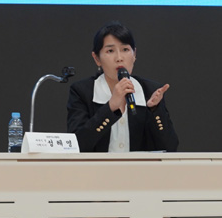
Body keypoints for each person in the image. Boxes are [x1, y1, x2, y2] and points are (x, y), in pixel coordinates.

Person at [67, 22, 178, 152]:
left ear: (134, 54)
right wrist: (110, 107)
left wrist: (155, 111)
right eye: (110, 51)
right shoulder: (82, 91)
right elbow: (76, 145)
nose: (119, 58)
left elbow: (170, 147)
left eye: (125, 50)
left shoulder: (150, 90)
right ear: (97, 58)